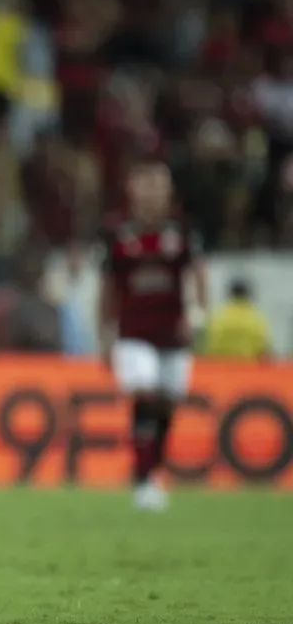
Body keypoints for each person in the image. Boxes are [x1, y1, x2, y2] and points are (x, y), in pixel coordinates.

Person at [97, 157, 208, 512]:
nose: (151, 192)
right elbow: (107, 289)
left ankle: (148, 469)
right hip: (133, 333)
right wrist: (104, 334)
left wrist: (198, 316)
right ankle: (145, 482)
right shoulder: (118, 234)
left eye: (157, 185)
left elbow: (199, 275)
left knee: (167, 404)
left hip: (173, 334)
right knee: (144, 392)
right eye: (145, 184)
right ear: (132, 189)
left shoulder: (183, 233)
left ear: (168, 190)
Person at [202, 279, 272, 360]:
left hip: (219, 368)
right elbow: (264, 352)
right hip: (248, 369)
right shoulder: (257, 319)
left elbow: (206, 348)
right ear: (248, 294)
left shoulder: (217, 317)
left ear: (230, 293)